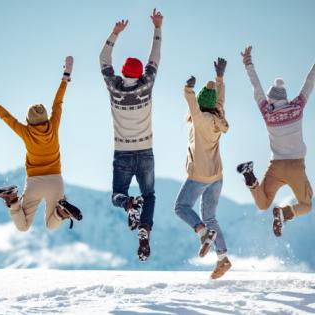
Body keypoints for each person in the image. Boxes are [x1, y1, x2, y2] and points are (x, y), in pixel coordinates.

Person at [0, 56, 83, 232]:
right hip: (55, 180)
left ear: (29, 121)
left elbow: (5, 116)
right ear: (46, 118)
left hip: (34, 182)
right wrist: (66, 75)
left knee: (23, 226)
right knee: (51, 225)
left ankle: (12, 199)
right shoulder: (53, 125)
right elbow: (58, 102)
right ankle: (61, 212)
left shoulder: (26, 132)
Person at [99, 9, 163, 261]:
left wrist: (115, 34)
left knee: (117, 194)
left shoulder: (114, 86)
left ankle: (127, 205)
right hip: (146, 151)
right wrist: (157, 28)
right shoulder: (146, 84)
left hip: (122, 152)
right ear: (139, 74)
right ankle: (145, 229)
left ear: (123, 72)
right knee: (149, 196)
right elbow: (155, 57)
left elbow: (103, 58)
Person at [237, 46, 314, 237]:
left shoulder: (268, 113)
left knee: (262, 203)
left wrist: (248, 63)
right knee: (306, 205)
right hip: (296, 166)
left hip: (276, 166)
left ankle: (250, 177)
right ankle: (285, 213)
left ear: (270, 99)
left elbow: (257, 88)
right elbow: (309, 82)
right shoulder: (297, 107)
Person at [174, 58, 232, 279]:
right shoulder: (219, 117)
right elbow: (220, 100)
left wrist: (188, 88)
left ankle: (203, 234)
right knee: (210, 217)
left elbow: (191, 104)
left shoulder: (199, 119)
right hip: (217, 176)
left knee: (180, 207)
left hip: (199, 175)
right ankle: (223, 258)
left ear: (200, 103)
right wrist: (219, 78)